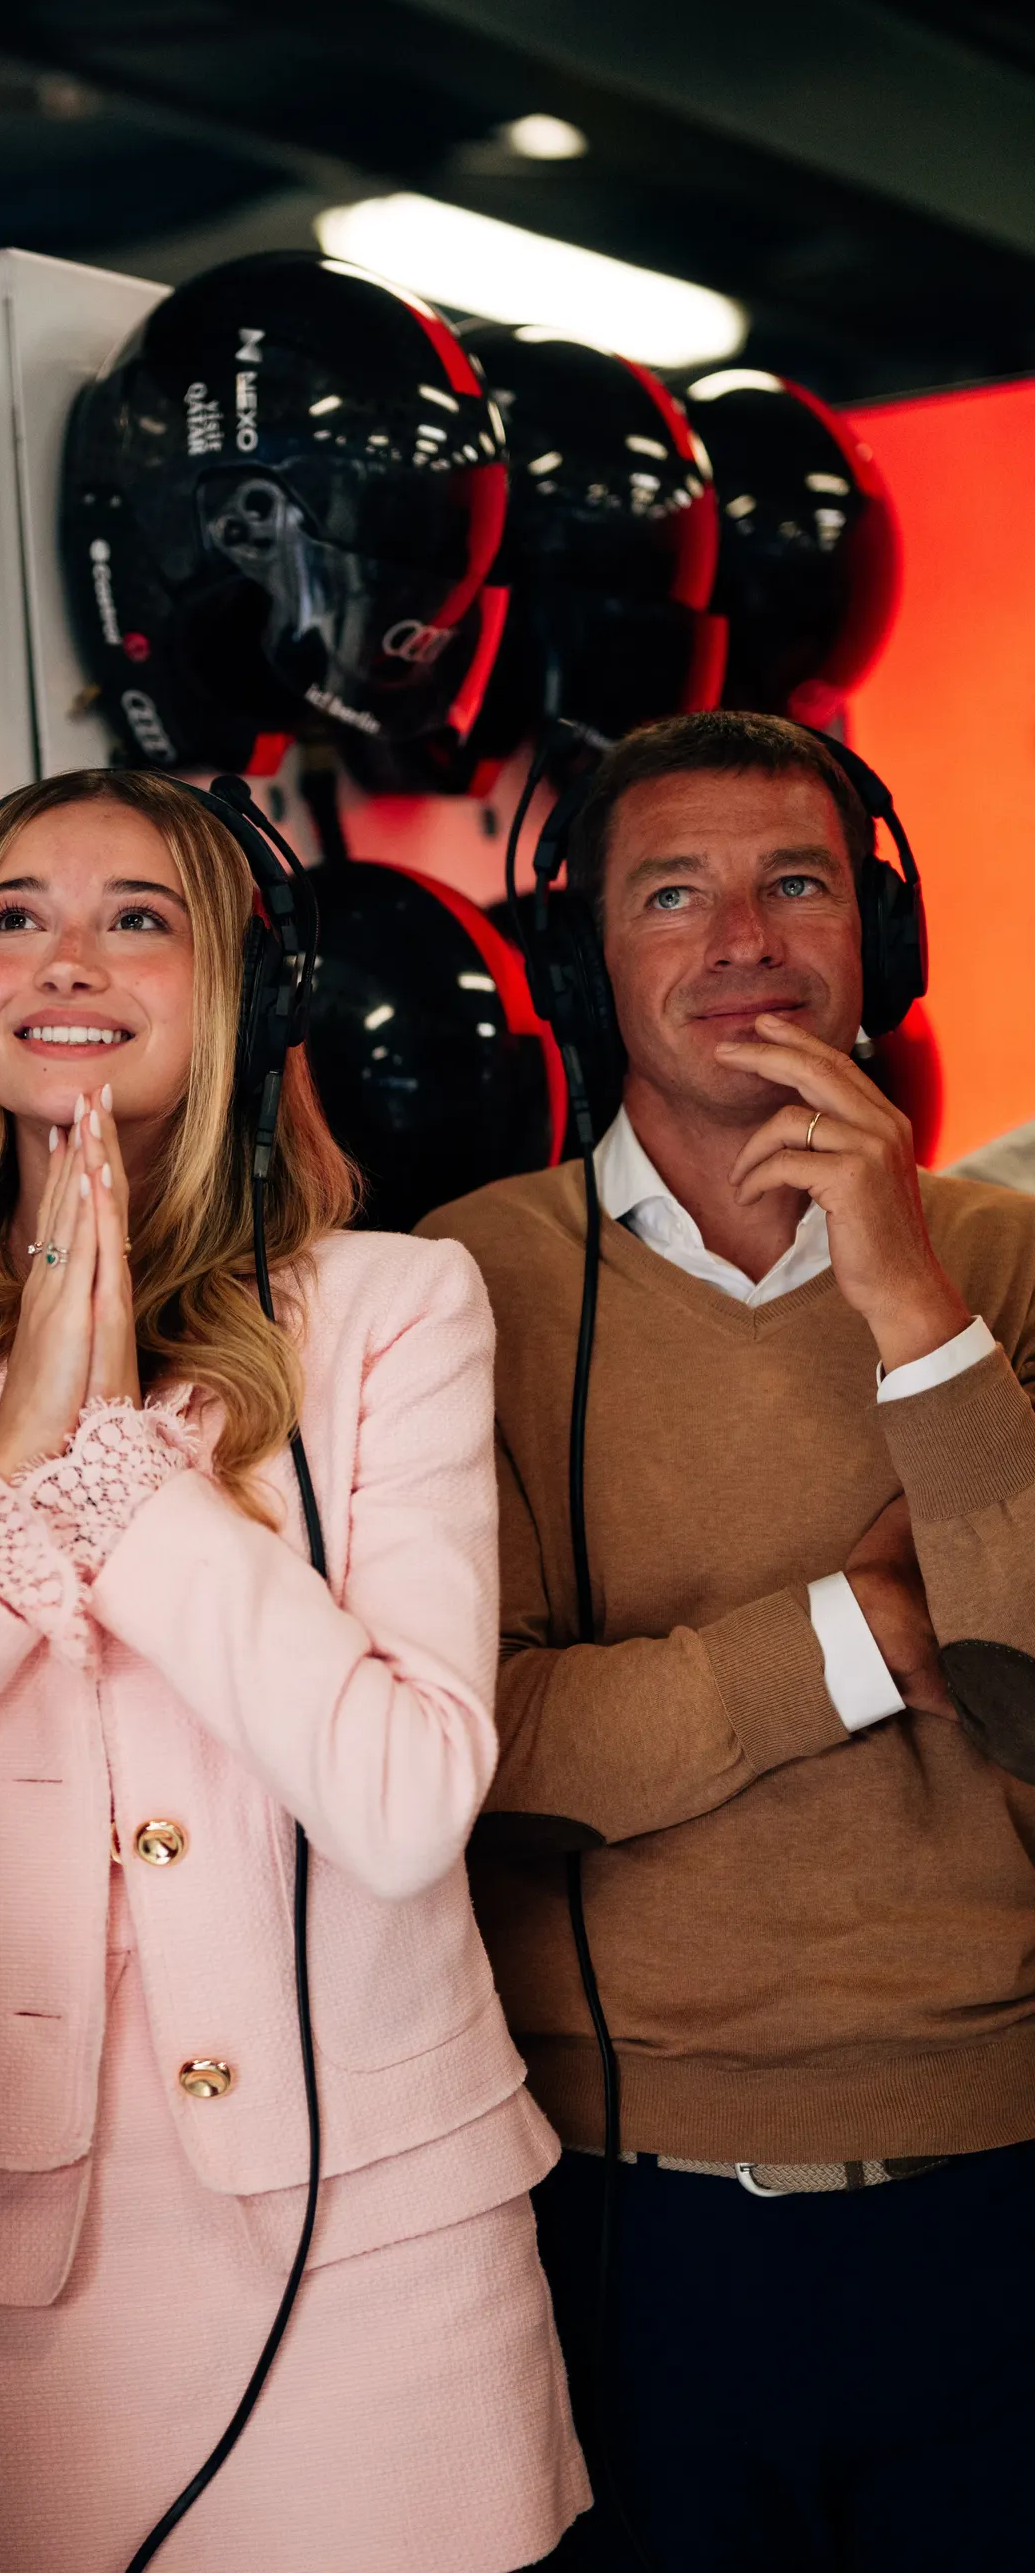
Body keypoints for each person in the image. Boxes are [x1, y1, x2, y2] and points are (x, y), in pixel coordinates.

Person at [0, 767, 586, 2573]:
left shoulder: (392, 1311)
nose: (70, 959)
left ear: (247, 990)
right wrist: (13, 1446)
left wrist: (105, 1465)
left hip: (376, 2264)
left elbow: (407, 1796)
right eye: (15, 915)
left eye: (141, 915)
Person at [420, 710, 1035, 2570]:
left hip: (997, 2183)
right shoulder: (459, 1281)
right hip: (622, 2212)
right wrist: (870, 1620)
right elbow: (488, 1752)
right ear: (584, 964)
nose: (745, 939)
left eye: (800, 886)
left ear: (877, 942)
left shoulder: (1005, 1267)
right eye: (674, 894)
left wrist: (914, 1308)